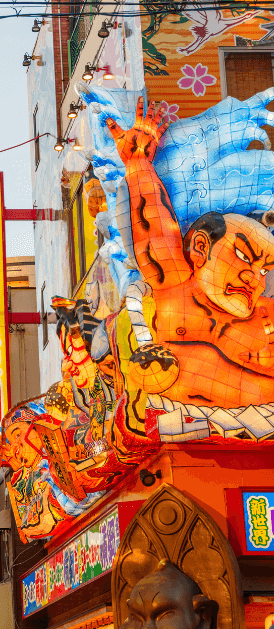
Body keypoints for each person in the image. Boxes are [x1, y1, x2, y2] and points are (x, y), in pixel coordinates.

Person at [107, 98, 274, 408]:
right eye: (244, 257)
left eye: (265, 270)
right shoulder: (176, 285)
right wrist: (138, 162)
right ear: (200, 247)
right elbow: (152, 225)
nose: (255, 279)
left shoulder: (264, 313)